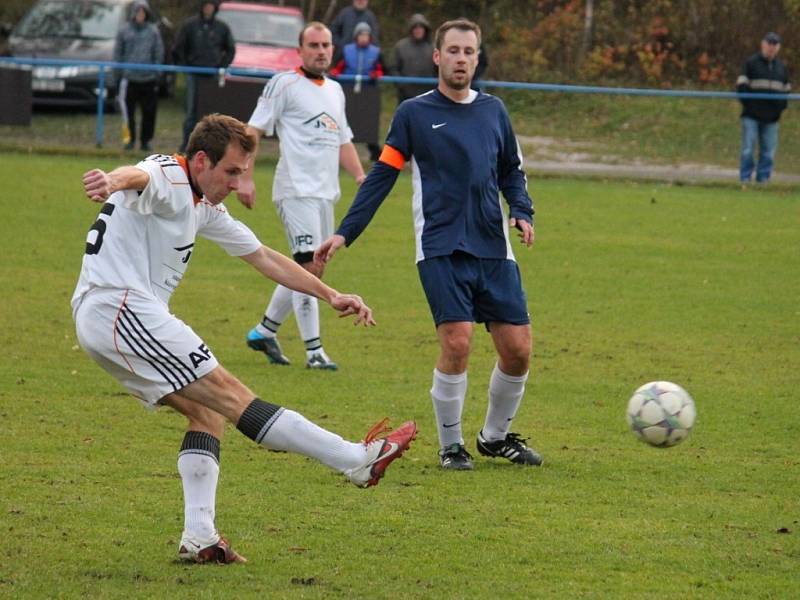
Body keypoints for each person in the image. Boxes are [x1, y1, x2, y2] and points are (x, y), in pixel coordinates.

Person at [72, 113, 416, 564]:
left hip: (110, 315)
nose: (237, 183)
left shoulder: (201, 204)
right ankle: (355, 459)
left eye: (243, 173)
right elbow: (138, 175)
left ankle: (200, 537)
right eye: (231, 171)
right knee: (234, 397)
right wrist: (110, 180)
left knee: (207, 414)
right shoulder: (171, 175)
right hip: (121, 308)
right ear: (200, 161)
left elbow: (264, 257)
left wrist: (330, 294)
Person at [316, 19, 543, 471]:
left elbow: (510, 171)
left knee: (518, 350)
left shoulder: (494, 111)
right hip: (439, 245)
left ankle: (494, 438)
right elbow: (382, 176)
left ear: (478, 59)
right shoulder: (414, 115)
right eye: (453, 51)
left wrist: (521, 210)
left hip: (493, 246)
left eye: (469, 52)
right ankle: (451, 445)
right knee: (457, 343)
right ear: (437, 57)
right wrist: (346, 231)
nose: (461, 59)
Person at [237, 23, 366, 371]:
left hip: (326, 193)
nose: (321, 50)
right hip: (295, 189)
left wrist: (360, 176)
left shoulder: (336, 91)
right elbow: (253, 129)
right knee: (309, 266)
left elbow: (342, 139)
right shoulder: (284, 84)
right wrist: (245, 178)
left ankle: (264, 331)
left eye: (326, 44)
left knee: (313, 269)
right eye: (313, 45)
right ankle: (314, 352)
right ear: (300, 49)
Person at [172, 0, 235, 152]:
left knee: (211, 114)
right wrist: (186, 67)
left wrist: (221, 66)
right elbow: (178, 48)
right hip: (194, 75)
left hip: (212, 76)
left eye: (211, 6)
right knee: (191, 113)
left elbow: (231, 49)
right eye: (206, 6)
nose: (208, 9)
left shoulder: (222, 27)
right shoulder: (189, 25)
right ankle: (187, 145)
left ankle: (210, 146)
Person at [736, 32, 791, 185]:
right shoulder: (751, 63)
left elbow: (786, 90)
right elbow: (741, 86)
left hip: (772, 118)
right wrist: (750, 106)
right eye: (769, 44)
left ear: (778, 47)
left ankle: (763, 180)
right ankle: (745, 179)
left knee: (768, 152)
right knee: (748, 149)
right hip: (751, 115)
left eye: (775, 45)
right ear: (763, 44)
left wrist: (779, 109)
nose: (771, 47)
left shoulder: (781, 68)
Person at [113, 0, 164, 151]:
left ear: (147, 14)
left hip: (148, 79)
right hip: (129, 79)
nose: (140, 15)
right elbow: (118, 53)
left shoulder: (153, 31)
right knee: (128, 113)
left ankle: (145, 141)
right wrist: (119, 73)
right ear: (133, 13)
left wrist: (157, 73)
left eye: (143, 12)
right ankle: (129, 140)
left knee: (149, 113)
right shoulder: (124, 31)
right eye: (138, 12)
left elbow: (158, 52)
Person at [330, 22, 385, 161]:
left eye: (366, 35)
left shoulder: (376, 52)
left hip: (368, 92)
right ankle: (338, 148)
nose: (364, 38)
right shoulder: (346, 50)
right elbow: (338, 67)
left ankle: (374, 151)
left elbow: (382, 68)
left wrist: (377, 73)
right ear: (356, 36)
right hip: (347, 90)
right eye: (361, 35)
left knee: (368, 122)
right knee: (345, 119)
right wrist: (336, 72)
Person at [391, 13, 436, 104]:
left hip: (429, 94)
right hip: (405, 95)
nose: (418, 30)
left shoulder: (433, 48)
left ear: (425, 29)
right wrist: (401, 84)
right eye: (415, 27)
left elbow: (440, 69)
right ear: (411, 29)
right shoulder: (401, 47)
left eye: (420, 27)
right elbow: (393, 68)